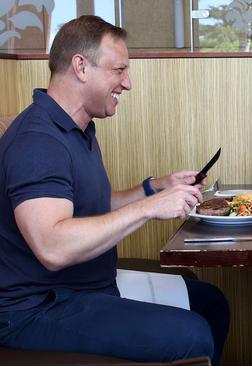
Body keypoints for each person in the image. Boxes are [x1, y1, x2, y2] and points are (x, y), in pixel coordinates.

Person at [0, 16, 229, 364]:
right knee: (192, 334)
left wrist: (156, 188)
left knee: (210, 303)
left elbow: (88, 205)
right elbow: (53, 246)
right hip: (37, 307)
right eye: (118, 70)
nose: (128, 83)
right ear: (80, 66)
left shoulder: (78, 128)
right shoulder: (38, 141)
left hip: (88, 286)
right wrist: (149, 209)